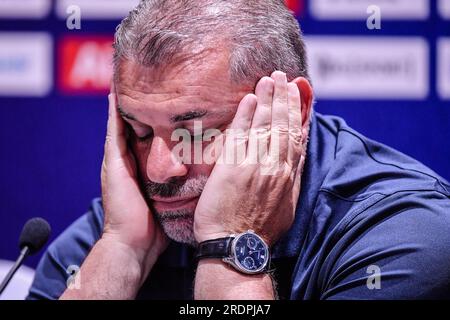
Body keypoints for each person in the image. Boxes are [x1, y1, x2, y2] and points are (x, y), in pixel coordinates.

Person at [28, 0, 450, 300]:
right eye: (138, 132)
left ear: (293, 109)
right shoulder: (110, 235)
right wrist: (120, 252)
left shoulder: (406, 239)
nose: (159, 170)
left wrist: (231, 244)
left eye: (195, 132)